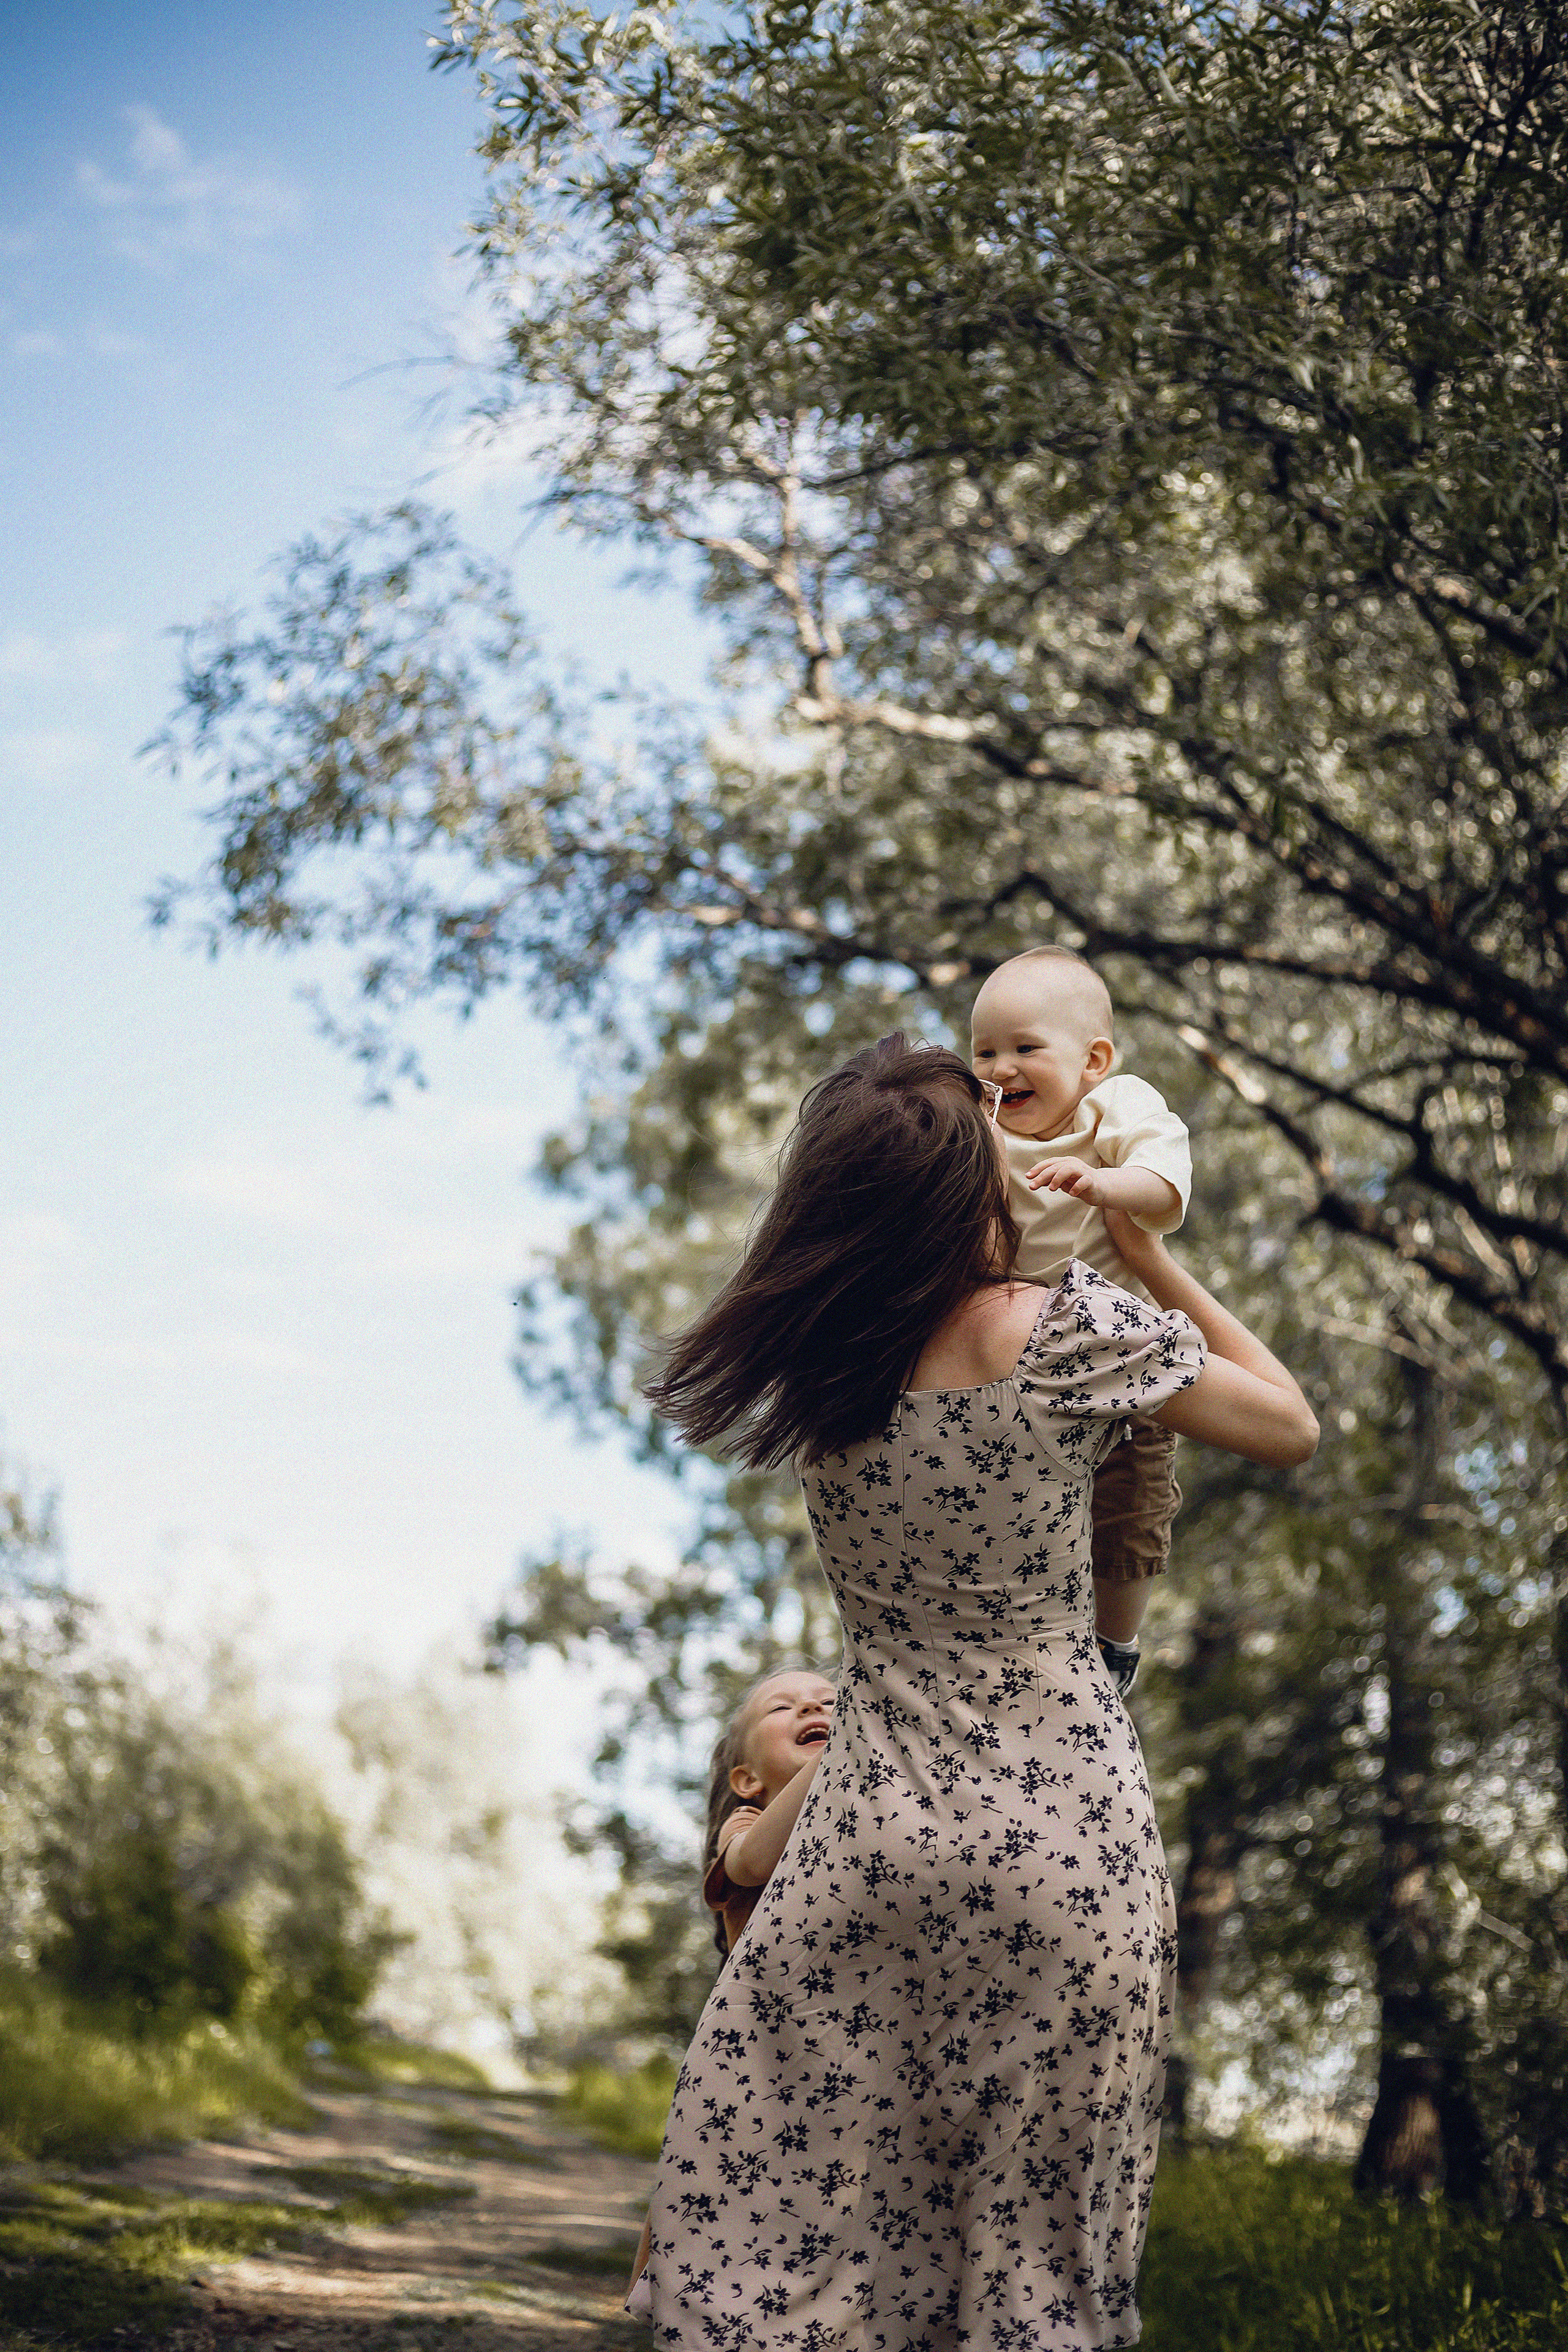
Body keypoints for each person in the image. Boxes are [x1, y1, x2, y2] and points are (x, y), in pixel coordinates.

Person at [636, 1036, 1316, 2352]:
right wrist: (1150, 1260)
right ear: (969, 1188)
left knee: (841, 2231)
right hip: (1059, 1837)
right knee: (1035, 2262)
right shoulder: (1053, 1329)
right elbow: (1286, 1422)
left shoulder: (824, 1373)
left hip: (870, 1840)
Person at [971, 947, 1194, 1699]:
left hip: (1118, 1360)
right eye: (985, 1053)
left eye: (1025, 1049)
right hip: (1019, 1367)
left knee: (1132, 1504)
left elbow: (1163, 1187)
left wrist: (1106, 1183)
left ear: (1093, 1059)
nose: (1001, 1069)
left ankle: (1114, 1645)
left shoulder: (1116, 1108)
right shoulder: (981, 1129)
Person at [702, 1667, 838, 1957]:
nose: (811, 1707)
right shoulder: (744, 1825)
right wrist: (840, 1749)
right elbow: (753, 1864)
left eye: (830, 1702)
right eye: (780, 1707)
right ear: (749, 1780)